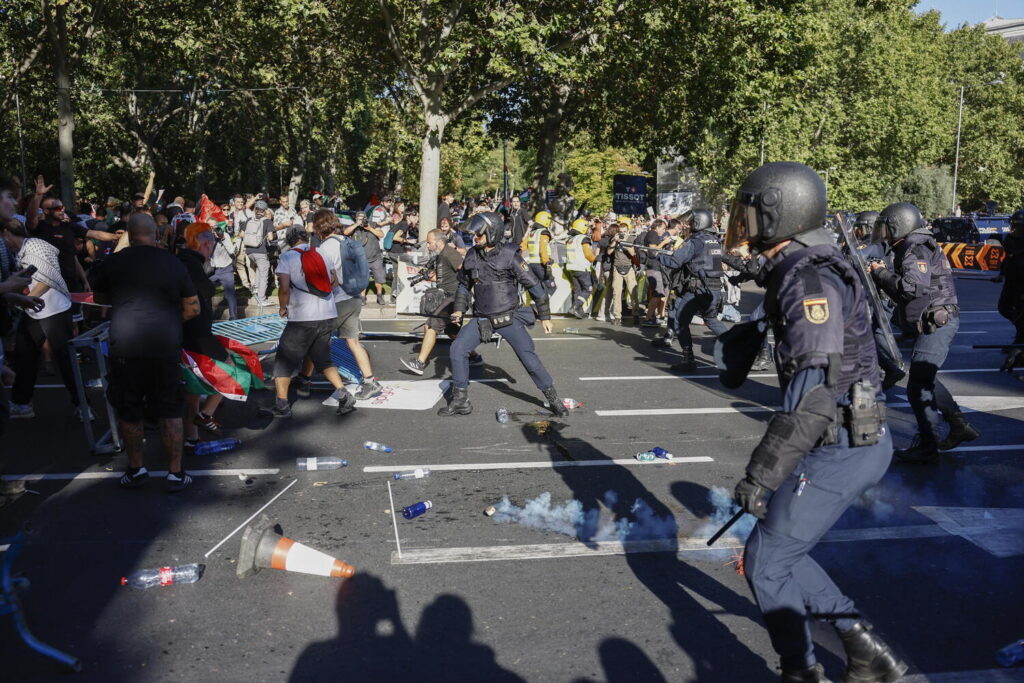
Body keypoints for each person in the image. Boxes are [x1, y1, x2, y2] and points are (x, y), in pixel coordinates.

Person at [723, 161, 906, 683]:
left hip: (841, 441)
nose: (744, 221)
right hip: (849, 436)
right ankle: (865, 651)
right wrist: (760, 270)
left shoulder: (808, 282)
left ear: (780, 213)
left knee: (764, 561)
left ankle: (802, 670)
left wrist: (761, 475)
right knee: (779, 549)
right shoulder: (805, 265)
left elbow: (813, 395)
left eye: (752, 211)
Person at [89, 214, 200, 492]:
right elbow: (192, 308)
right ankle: (175, 473)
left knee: (129, 409)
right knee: (170, 408)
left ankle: (137, 469)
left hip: (125, 344)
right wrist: (171, 322)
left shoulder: (112, 262)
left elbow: (101, 299)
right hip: (164, 344)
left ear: (128, 234)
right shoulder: (173, 263)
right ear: (157, 234)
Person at [869, 202, 979, 462]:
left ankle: (928, 446)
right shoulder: (911, 245)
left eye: (887, 228)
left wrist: (880, 273)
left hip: (938, 321)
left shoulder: (915, 247)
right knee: (924, 377)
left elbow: (910, 288)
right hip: (932, 320)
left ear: (899, 226)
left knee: (918, 384)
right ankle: (958, 425)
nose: (884, 234)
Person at [437, 212, 569, 418]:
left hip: (510, 318)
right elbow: (464, 285)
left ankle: (554, 400)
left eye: (479, 235)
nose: (475, 238)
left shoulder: (510, 255)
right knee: (457, 349)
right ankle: (460, 401)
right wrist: (459, 309)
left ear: (491, 233)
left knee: (529, 360)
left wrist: (545, 317)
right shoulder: (471, 255)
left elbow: (535, 287)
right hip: (482, 319)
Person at [178, 224, 264, 449]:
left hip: (189, 334)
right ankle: (206, 414)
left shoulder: (183, 260)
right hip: (196, 334)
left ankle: (191, 438)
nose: (211, 252)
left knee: (193, 391)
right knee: (235, 366)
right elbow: (196, 303)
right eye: (211, 246)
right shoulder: (192, 264)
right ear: (205, 243)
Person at [260, 226, 356, 418]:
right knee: (323, 359)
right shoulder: (321, 252)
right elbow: (334, 282)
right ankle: (344, 396)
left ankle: (282, 406)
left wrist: (282, 307)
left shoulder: (287, 257)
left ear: (289, 240)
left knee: (284, 362)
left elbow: (284, 288)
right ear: (306, 237)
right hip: (327, 313)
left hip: (302, 317)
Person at [296, 211, 383, 402]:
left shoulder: (325, 248)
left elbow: (324, 279)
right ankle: (370, 381)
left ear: (319, 228)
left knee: (315, 341)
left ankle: (304, 380)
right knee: (353, 341)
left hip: (337, 302)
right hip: (353, 297)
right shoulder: (346, 241)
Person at [658, 209, 729, 372]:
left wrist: (658, 256)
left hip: (697, 289)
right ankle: (736, 350)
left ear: (698, 223)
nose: (688, 225)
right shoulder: (713, 240)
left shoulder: (695, 241)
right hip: (714, 289)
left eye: (691, 222)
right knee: (711, 320)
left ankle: (688, 360)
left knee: (680, 321)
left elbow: (675, 262)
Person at [401, 228, 473, 375]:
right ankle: (475, 356)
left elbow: (464, 271)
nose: (427, 245)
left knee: (431, 325)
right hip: (447, 295)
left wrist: (461, 295)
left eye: (429, 242)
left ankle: (420, 363)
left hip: (453, 297)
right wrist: (429, 276)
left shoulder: (450, 253)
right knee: (451, 331)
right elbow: (444, 278)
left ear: (439, 242)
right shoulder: (441, 256)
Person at [344, 210, 387, 305]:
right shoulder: (353, 227)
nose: (361, 220)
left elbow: (381, 234)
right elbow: (346, 232)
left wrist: (370, 228)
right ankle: (362, 297)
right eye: (359, 219)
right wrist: (356, 224)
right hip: (361, 259)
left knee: (379, 279)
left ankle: (379, 296)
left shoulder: (373, 224)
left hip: (375, 257)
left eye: (363, 218)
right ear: (356, 219)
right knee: (362, 279)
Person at [602, 223, 640, 326]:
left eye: (624, 232)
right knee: (616, 292)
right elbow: (609, 252)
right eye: (620, 232)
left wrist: (625, 243)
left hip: (629, 268)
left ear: (628, 231)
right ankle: (617, 316)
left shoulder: (631, 239)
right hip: (616, 268)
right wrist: (615, 241)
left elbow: (633, 254)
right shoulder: (614, 238)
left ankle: (636, 314)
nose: (622, 234)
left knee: (633, 292)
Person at [996, 209, 1024, 346]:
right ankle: (1020, 336)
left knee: (1020, 312)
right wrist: (1001, 274)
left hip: (1021, 284)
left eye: (1016, 225)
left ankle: (1019, 343)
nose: (1013, 228)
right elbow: (1008, 259)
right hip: (1011, 282)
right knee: (1004, 308)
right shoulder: (1010, 240)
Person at [242, 200, 274, 305]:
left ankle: (256, 288)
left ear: (255, 209)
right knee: (264, 274)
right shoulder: (267, 221)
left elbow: (242, 234)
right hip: (260, 251)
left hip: (249, 251)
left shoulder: (248, 220)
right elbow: (270, 237)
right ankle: (262, 299)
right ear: (265, 211)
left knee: (259, 270)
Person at [564, 217, 598, 319]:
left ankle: (579, 312)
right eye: (587, 227)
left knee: (578, 290)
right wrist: (595, 259)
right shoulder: (584, 238)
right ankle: (575, 307)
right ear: (582, 228)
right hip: (582, 268)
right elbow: (588, 254)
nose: (588, 229)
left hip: (572, 268)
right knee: (588, 289)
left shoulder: (570, 239)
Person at [641, 219, 671, 327]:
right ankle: (649, 318)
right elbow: (652, 252)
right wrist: (664, 242)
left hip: (656, 267)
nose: (663, 231)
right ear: (657, 227)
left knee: (660, 294)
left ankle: (654, 317)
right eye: (663, 228)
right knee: (657, 294)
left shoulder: (653, 234)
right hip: (653, 267)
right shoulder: (652, 234)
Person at [519, 211, 555, 294]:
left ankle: (534, 305)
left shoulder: (532, 232)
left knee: (537, 289)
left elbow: (522, 246)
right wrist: (547, 262)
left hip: (531, 265)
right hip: (541, 265)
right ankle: (545, 304)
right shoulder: (543, 233)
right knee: (551, 288)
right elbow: (543, 249)